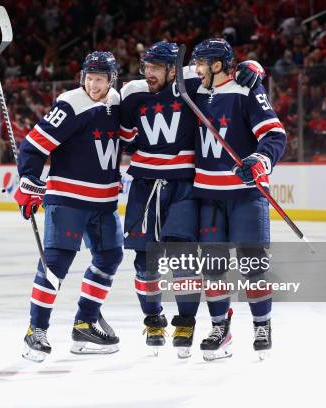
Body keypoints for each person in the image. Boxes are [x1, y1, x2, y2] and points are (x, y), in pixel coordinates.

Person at [119, 41, 264, 358]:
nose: (149, 73)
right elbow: (117, 129)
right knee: (144, 262)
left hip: (184, 184)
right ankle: (154, 320)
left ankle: (185, 322)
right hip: (144, 185)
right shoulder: (132, 91)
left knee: (183, 257)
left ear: (173, 69)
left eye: (156, 68)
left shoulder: (194, 82)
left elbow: (232, 74)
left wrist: (253, 68)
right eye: (146, 67)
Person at [15, 51, 122, 362]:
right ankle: (36, 331)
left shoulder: (117, 101)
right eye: (88, 77)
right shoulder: (71, 104)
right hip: (68, 200)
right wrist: (29, 180)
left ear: (111, 79)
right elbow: (33, 145)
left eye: (99, 79)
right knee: (55, 264)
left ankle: (86, 322)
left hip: (104, 202)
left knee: (110, 257)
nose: (92, 84)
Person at [189, 38, 285, 361]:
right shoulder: (196, 91)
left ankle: (262, 324)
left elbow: (274, 135)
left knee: (253, 266)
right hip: (208, 196)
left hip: (246, 195)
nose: (196, 68)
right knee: (213, 269)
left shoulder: (247, 90)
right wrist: (252, 65)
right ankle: (220, 327)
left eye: (201, 63)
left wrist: (259, 161)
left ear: (217, 65)